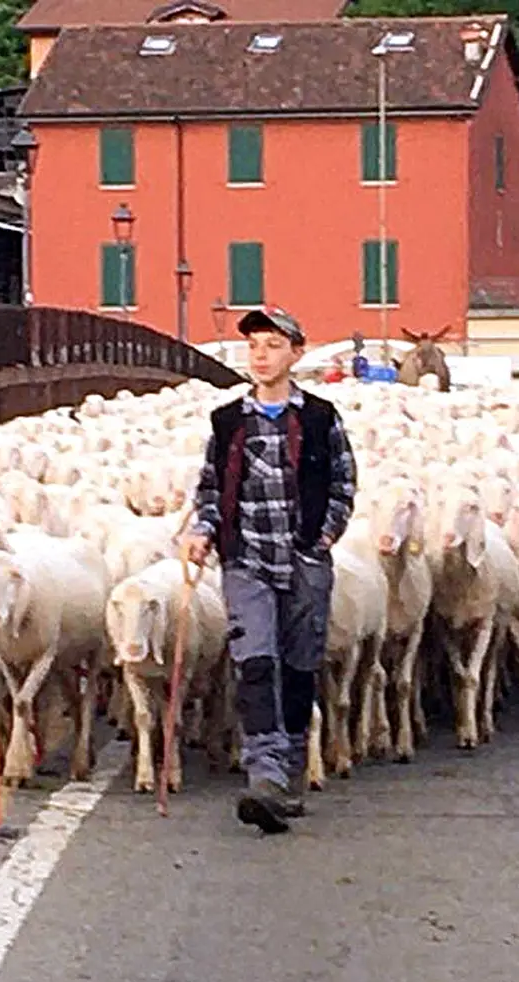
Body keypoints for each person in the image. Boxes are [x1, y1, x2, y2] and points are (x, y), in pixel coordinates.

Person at [183, 305, 357, 834]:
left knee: (300, 664)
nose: (261, 356)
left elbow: (343, 486)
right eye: (254, 347)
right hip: (247, 559)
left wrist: (323, 537)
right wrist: (203, 530)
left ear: (295, 353)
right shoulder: (228, 420)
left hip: (304, 559)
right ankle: (265, 774)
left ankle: (292, 766)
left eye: (273, 346)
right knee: (255, 661)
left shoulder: (322, 417)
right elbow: (210, 487)